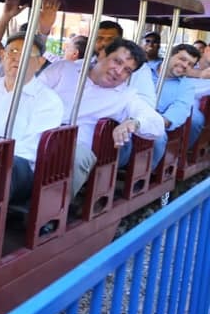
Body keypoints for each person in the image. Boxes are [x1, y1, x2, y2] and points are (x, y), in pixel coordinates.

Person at [38, 38, 164, 195]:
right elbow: (30, 95)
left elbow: (156, 123)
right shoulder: (64, 69)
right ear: (102, 55)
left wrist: (134, 122)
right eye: (117, 61)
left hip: (74, 146)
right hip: (34, 134)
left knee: (75, 157)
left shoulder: (125, 96)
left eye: (127, 70)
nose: (119, 72)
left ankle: (49, 211)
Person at [0, 33, 65, 205]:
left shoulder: (49, 101)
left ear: (40, 63)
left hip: (17, 165)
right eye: (13, 51)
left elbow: (30, 149)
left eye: (27, 54)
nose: (18, 58)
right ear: (3, 55)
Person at [40, 20, 156, 107]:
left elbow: (146, 104)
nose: (104, 43)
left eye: (110, 39)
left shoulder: (138, 71)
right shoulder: (73, 66)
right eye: (99, 38)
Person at [129, 43, 200, 169]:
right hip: (127, 114)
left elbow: (180, 109)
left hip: (156, 120)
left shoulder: (187, 85)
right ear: (168, 55)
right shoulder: (142, 69)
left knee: (158, 137)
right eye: (182, 59)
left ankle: (142, 175)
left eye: (190, 64)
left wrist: (155, 122)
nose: (185, 65)